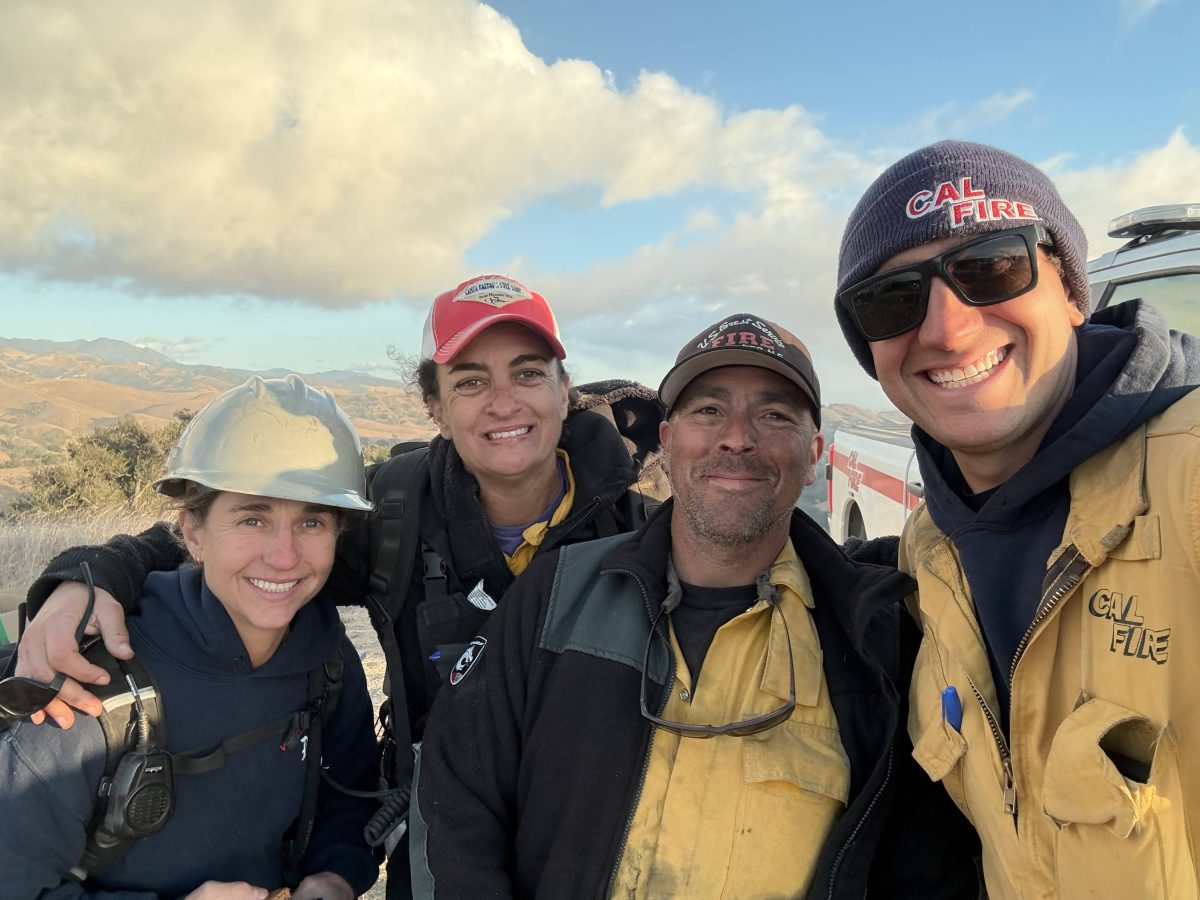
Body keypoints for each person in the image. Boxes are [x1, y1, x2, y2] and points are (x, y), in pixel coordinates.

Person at [14, 275, 664, 896]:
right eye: (471, 381)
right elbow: (226, 541)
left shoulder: (642, 527)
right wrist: (90, 577)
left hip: (595, 846)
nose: (504, 400)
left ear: (562, 388)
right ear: (435, 408)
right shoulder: (398, 511)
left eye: (528, 373)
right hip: (440, 849)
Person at [409, 313, 981, 898]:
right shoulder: (557, 592)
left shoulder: (876, 641)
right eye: (708, 410)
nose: (737, 436)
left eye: (774, 413)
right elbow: (457, 796)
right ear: (666, 441)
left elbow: (924, 865)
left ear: (813, 454)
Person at [834, 140, 1200, 898]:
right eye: (892, 300)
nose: (947, 327)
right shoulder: (929, 557)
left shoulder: (1186, 477)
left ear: (1070, 290)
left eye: (991, 267)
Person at [0, 374, 379, 899]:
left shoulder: (327, 661)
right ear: (193, 532)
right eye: (252, 519)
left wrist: (335, 876)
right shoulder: (97, 680)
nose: (285, 556)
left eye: (312, 523)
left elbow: (350, 798)